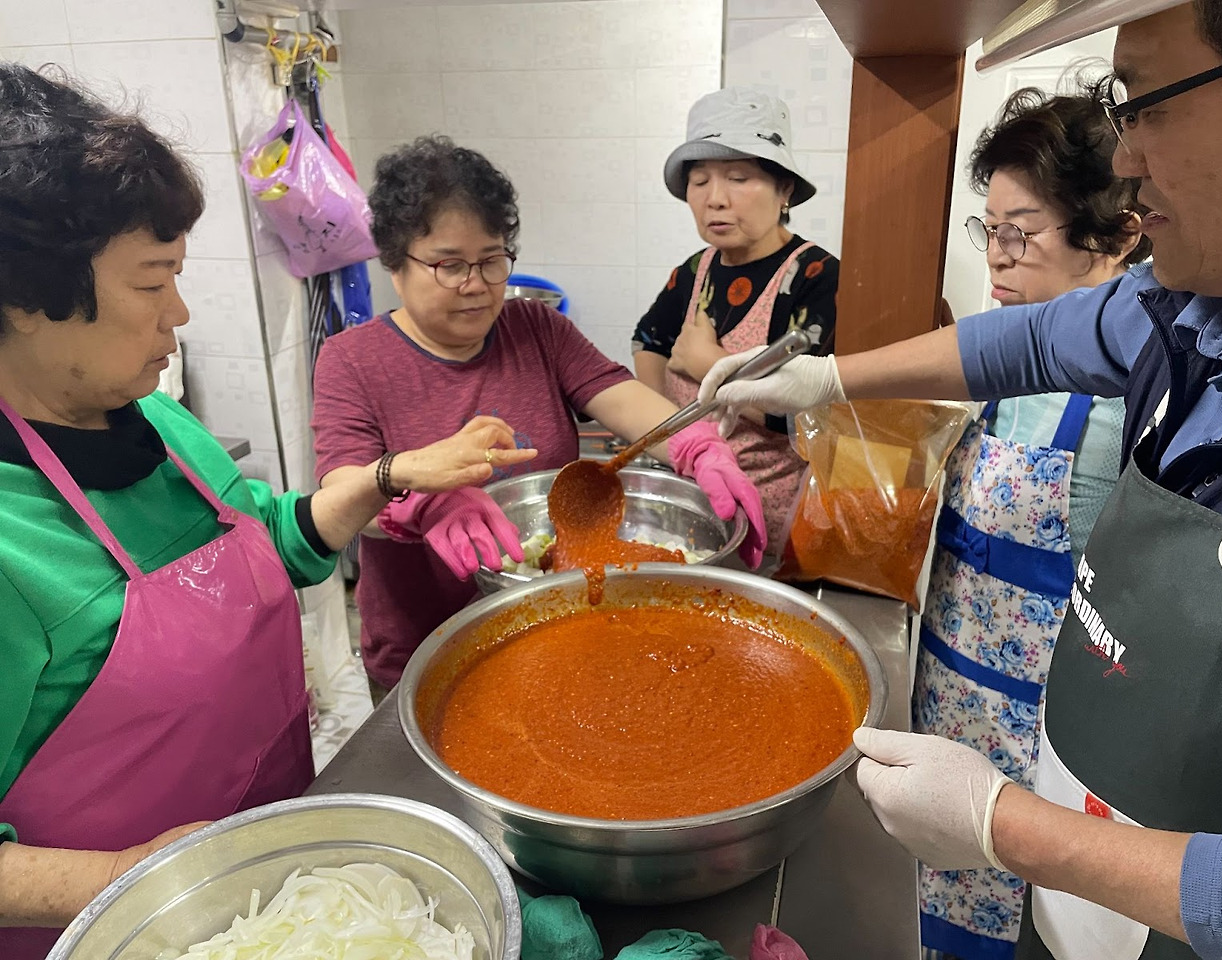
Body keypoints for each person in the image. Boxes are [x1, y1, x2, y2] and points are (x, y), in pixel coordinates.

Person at [699, 2, 1222, 956]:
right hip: (1071, 855)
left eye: (1147, 103)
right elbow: (1031, 341)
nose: (1126, 156)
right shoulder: (1183, 316)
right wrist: (827, 378)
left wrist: (1005, 827)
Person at [0, 65, 536, 955]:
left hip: (278, 885)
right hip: (143, 927)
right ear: (24, 296)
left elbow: (267, 543)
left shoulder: (158, 424)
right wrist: (124, 880)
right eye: (152, 283)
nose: (178, 313)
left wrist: (391, 476)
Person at [311, 136, 767, 699]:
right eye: (449, 265)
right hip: (425, 649)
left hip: (556, 630)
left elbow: (622, 397)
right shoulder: (352, 359)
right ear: (395, 264)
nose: (476, 285)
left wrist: (695, 443)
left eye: (491, 260)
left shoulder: (536, 328)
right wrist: (421, 504)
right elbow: (343, 491)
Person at [914, 85, 1147, 958]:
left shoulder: (1133, 401)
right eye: (989, 230)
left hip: (1042, 743)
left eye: (1021, 233)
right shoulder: (1001, 352)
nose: (996, 259)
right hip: (948, 698)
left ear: (1116, 237)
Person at [632, 87, 837, 552]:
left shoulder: (816, 277)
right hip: (685, 501)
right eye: (699, 181)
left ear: (784, 189)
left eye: (739, 178)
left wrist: (707, 364)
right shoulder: (694, 270)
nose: (715, 199)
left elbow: (812, 418)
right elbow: (648, 341)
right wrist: (670, 430)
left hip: (769, 519)